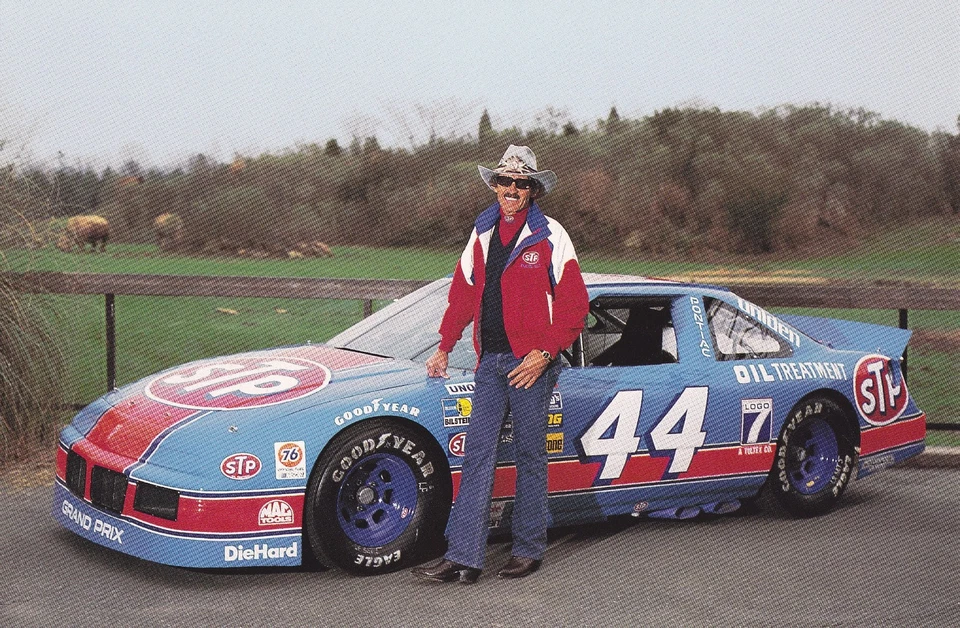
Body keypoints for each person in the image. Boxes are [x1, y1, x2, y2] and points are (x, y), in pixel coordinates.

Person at [412, 145, 589, 583]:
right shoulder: (482, 231)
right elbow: (463, 293)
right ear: (494, 185)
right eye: (505, 181)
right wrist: (445, 345)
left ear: (532, 190)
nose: (512, 189)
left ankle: (529, 548)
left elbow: (574, 306)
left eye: (521, 183)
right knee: (477, 456)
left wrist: (545, 353)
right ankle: (464, 558)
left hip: (532, 364)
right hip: (490, 361)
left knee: (531, 454)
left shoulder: (551, 235)